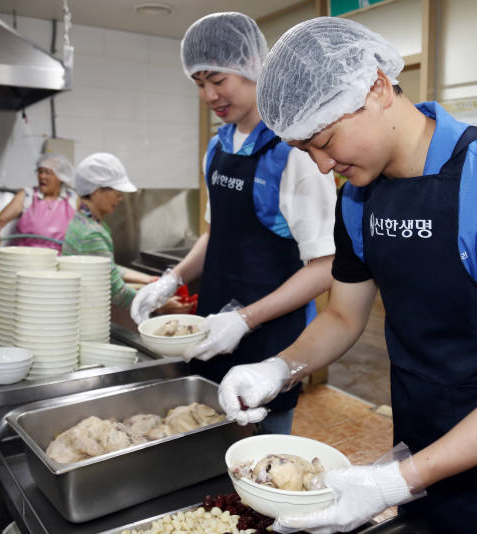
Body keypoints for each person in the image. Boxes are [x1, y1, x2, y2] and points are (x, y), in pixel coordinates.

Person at [218, 17, 477, 533]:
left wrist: (392, 483)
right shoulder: (358, 198)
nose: (323, 167)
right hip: (426, 453)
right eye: (304, 150)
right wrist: (277, 368)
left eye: (326, 140)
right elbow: (342, 314)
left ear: (377, 87)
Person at [129, 13, 336, 435]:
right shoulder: (218, 148)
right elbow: (215, 233)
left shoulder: (294, 151)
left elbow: (326, 265)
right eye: (199, 84)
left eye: (216, 79)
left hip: (269, 339)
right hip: (210, 331)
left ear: (253, 66)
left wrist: (244, 320)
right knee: (207, 451)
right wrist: (171, 279)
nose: (208, 95)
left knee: (258, 455)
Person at [62, 152, 190, 314]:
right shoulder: (92, 234)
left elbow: (106, 267)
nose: (120, 198)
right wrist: (159, 305)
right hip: (86, 312)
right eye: (116, 191)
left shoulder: (82, 221)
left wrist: (145, 279)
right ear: (96, 191)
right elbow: (116, 293)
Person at [0, 153, 77, 251]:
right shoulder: (28, 195)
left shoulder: (73, 199)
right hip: (26, 257)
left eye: (47, 173)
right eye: (40, 172)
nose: (42, 176)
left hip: (60, 259)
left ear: (61, 177)